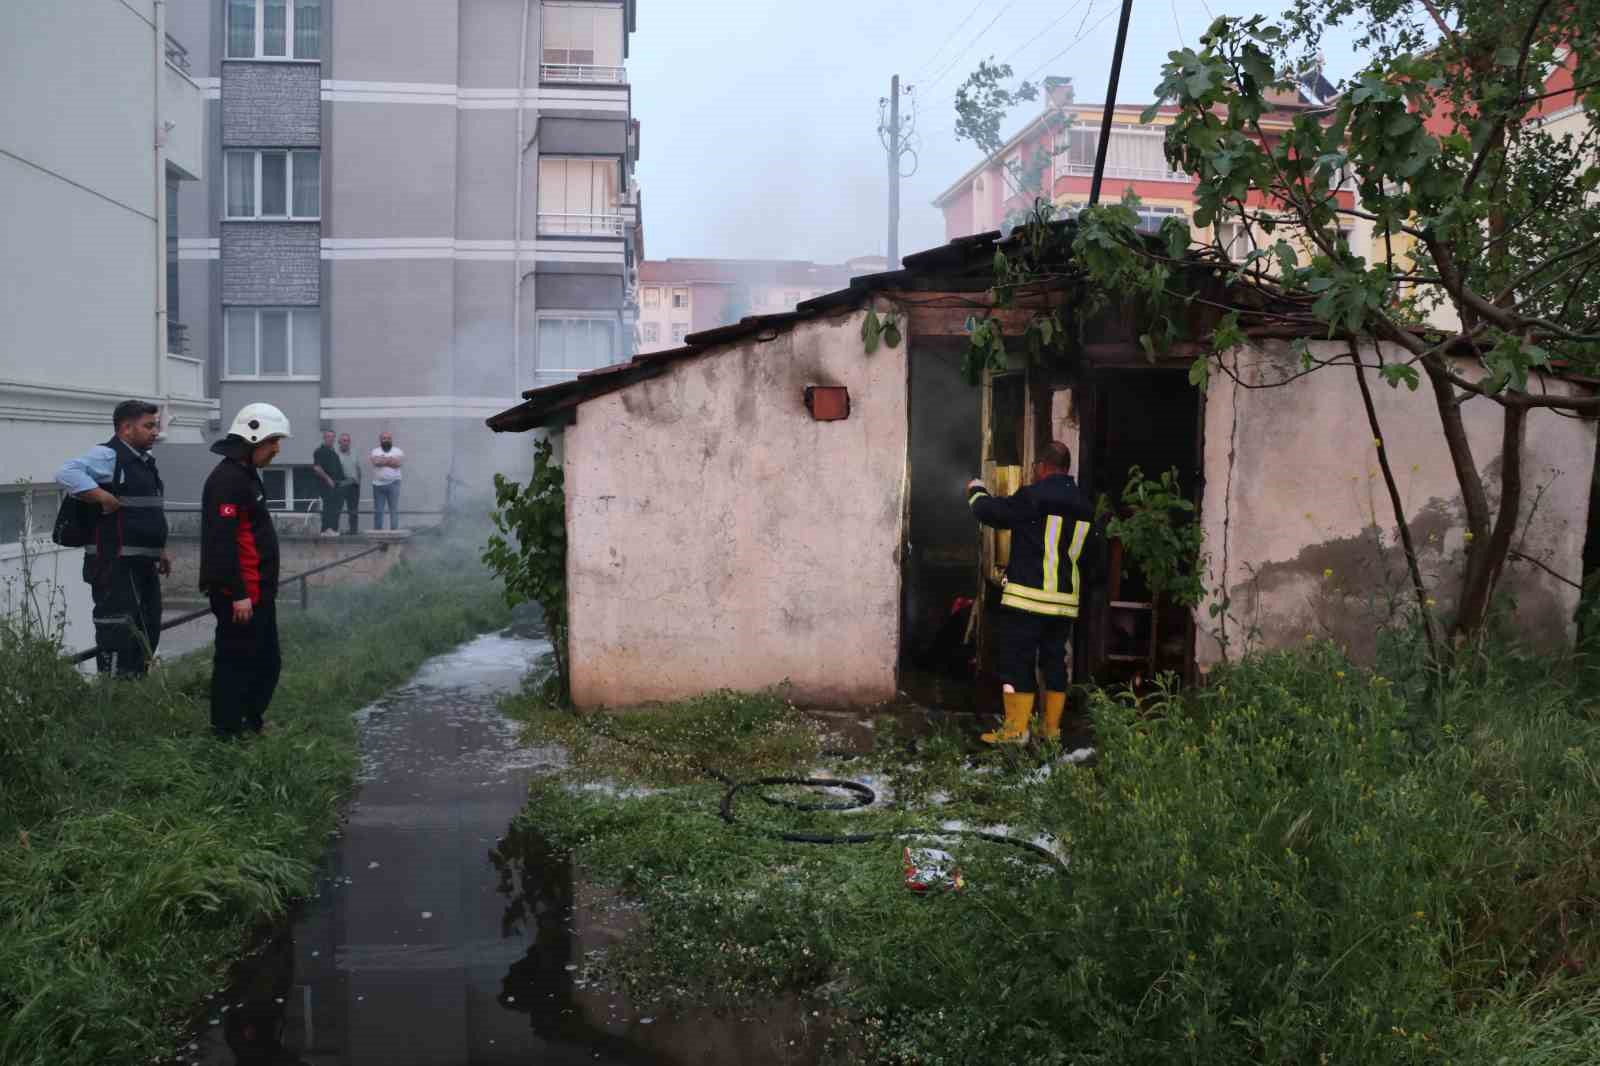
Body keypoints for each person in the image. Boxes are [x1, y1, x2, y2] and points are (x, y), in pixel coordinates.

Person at [966, 441, 1099, 745]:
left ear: (1042, 466)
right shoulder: (1086, 506)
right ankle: (1051, 730)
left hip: (1026, 599)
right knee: (1054, 663)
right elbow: (1094, 559)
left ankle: (1015, 730)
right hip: (1064, 604)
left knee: (1017, 662)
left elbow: (991, 513)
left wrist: (976, 490)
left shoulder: (1033, 496)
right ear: (1067, 468)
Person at [55, 400, 173, 677]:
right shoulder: (108, 456)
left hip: (142, 562)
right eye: (148, 426)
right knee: (118, 632)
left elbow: (147, 510)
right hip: (115, 564)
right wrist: (102, 496)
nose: (155, 431)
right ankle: (115, 698)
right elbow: (66, 473)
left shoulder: (144, 463)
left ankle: (134, 692)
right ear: (126, 428)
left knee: (147, 630)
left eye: (155, 425)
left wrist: (161, 549)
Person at [201, 402, 290, 738]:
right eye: (273, 442)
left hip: (258, 594)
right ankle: (226, 732)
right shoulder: (226, 480)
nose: (276, 450)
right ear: (253, 439)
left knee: (266, 663)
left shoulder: (245, 476)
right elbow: (221, 542)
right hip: (240, 596)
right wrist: (238, 593)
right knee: (235, 665)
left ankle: (250, 721)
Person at [310, 429, 345, 537]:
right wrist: (328, 479)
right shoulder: (319, 451)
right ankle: (325, 529)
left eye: (333, 437)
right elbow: (317, 468)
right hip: (325, 484)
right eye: (329, 437)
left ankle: (333, 529)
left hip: (336, 485)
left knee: (336, 506)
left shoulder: (333, 452)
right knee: (328, 506)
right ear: (324, 438)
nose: (331, 439)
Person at [370, 431, 405, 530]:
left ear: (391, 439)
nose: (387, 440)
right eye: (384, 438)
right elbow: (376, 462)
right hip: (378, 485)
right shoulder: (375, 451)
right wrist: (390, 460)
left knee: (393, 510)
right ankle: (377, 534)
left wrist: (383, 460)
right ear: (380, 440)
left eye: (389, 438)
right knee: (379, 511)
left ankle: (394, 534)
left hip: (394, 484)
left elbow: (398, 464)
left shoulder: (398, 451)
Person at [337, 432, 361, 534]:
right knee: (337, 508)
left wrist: (358, 482)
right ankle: (334, 530)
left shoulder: (355, 453)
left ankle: (353, 531)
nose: (346, 443)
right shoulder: (335, 454)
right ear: (339, 442)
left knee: (353, 510)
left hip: (353, 486)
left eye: (347, 441)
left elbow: (358, 469)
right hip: (342, 485)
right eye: (344, 440)